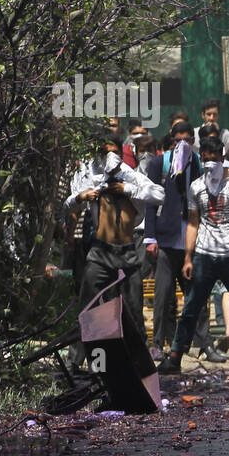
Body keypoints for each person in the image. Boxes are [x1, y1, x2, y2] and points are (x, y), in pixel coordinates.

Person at [157, 137, 229, 374]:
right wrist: (189, 257)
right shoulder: (196, 187)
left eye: (214, 157)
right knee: (191, 307)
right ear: (201, 159)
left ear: (222, 157)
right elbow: (193, 223)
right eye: (206, 158)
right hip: (204, 254)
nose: (210, 162)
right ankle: (174, 357)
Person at [65, 132, 165, 370]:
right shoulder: (94, 176)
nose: (109, 157)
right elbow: (68, 203)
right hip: (100, 254)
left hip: (128, 254)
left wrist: (128, 189)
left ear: (121, 154)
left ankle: (142, 367)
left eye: (114, 152)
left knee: (133, 311)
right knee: (89, 309)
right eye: (105, 152)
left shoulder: (131, 177)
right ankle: (75, 363)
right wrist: (82, 196)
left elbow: (160, 195)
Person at [145, 120, 223, 362]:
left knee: (198, 295)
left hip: (192, 239)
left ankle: (205, 344)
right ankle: (158, 344)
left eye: (188, 139)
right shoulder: (161, 162)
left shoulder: (198, 162)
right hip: (167, 239)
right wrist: (150, 236)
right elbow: (150, 200)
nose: (183, 144)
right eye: (178, 139)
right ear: (171, 139)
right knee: (163, 295)